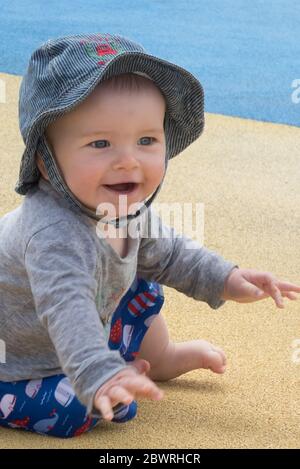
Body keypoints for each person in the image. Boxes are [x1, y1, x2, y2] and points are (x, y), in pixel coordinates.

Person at [0, 33, 299, 438]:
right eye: (100, 143)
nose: (128, 161)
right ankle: (108, 373)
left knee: (145, 282)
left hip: (90, 327)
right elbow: (66, 309)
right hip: (21, 356)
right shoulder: (53, 233)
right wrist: (99, 375)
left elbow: (174, 255)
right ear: (45, 159)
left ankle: (160, 358)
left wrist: (228, 278)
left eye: (146, 141)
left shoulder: (122, 207)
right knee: (83, 407)